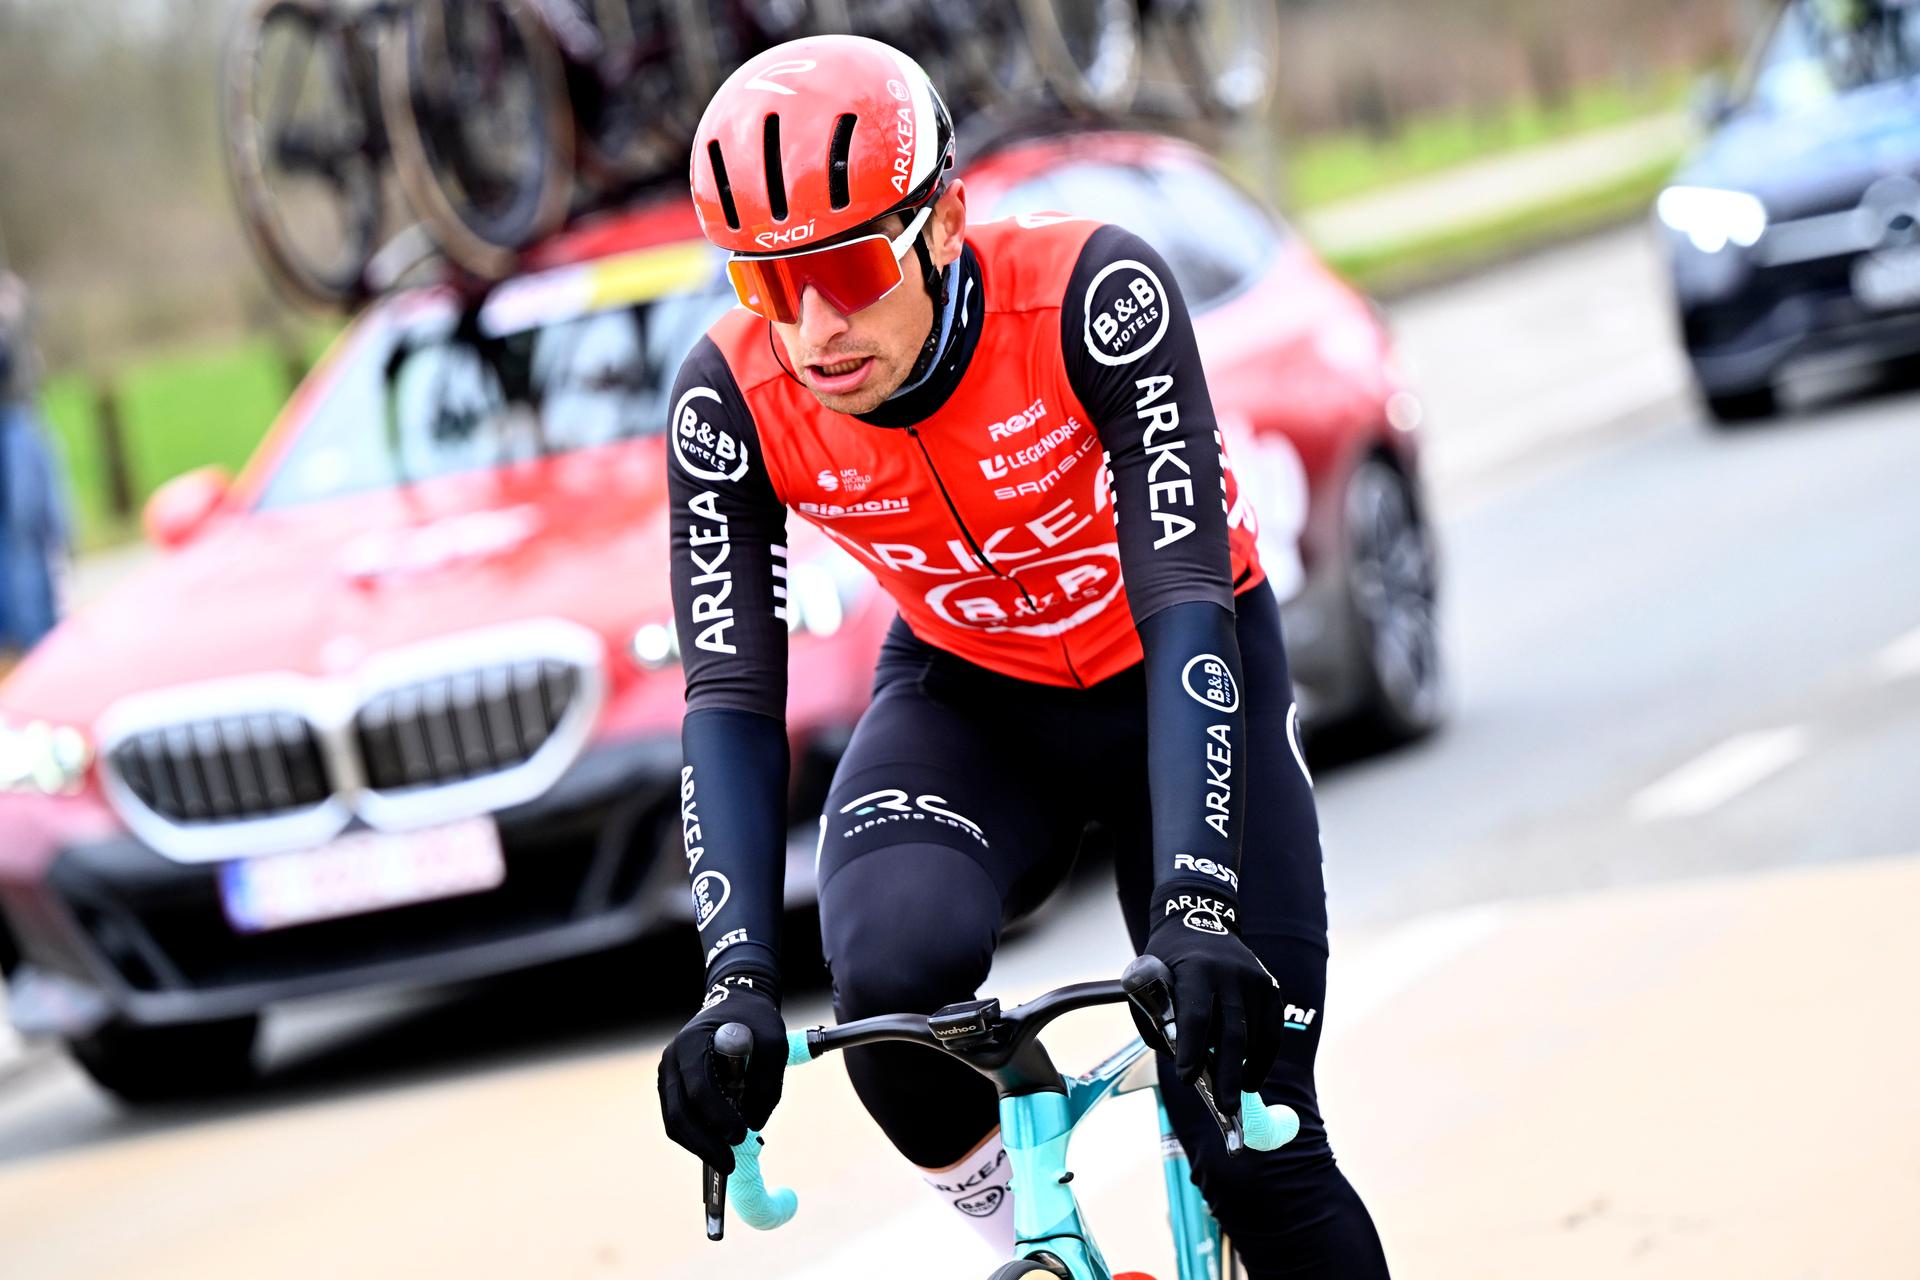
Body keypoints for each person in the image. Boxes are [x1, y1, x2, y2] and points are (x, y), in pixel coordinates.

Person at [656, 35, 1390, 1276]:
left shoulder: (1094, 297)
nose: (817, 326)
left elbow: (1185, 600)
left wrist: (1196, 900)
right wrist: (732, 981)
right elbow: (730, 697)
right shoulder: (728, 401)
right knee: (888, 1004)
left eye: (845, 266)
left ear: (942, 222)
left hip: (1179, 677)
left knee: (1251, 1141)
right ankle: (1039, 1250)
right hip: (974, 695)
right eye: (769, 285)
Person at [0, 272, 70, 667]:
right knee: (20, 537)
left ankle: (50, 629)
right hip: (9, 426)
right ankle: (29, 640)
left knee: (50, 530)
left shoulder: (9, 292)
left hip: (28, 419)